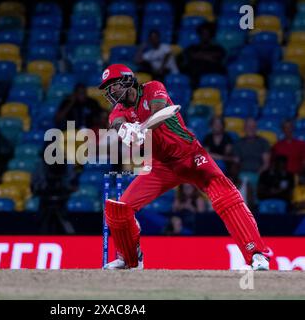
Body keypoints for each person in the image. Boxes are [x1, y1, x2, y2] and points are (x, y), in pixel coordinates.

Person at [99, 64, 271, 270]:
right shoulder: (117, 112)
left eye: (113, 85)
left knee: (226, 197)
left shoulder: (153, 88)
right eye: (107, 88)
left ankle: (257, 255)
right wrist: (125, 129)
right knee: (119, 210)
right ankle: (130, 260)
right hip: (159, 167)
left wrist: (141, 128)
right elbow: (117, 123)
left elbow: (159, 111)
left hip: (190, 156)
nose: (110, 92)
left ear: (128, 81)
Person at [232, 118, 271, 198]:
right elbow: (236, 162)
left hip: (258, 174)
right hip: (242, 174)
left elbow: (266, 164)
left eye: (253, 127)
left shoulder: (263, 142)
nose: (251, 129)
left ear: (256, 128)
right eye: (249, 127)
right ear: (244, 128)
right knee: (242, 181)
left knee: (251, 182)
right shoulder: (239, 143)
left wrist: (259, 174)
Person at [180, 22, 226, 87]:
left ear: (211, 35)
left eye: (207, 34)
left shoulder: (217, 48)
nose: (205, 36)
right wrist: (208, 57)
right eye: (203, 33)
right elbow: (189, 55)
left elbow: (219, 57)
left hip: (211, 73)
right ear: (199, 34)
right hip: (194, 75)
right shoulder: (192, 48)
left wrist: (199, 56)